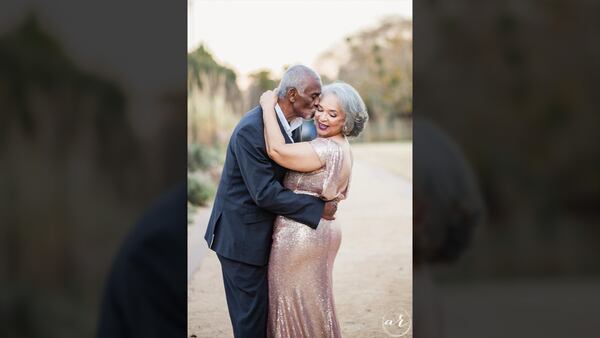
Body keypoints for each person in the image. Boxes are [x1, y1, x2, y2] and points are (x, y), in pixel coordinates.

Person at [203, 65, 338, 338]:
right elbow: (263, 193)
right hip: (241, 240)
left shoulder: (296, 126)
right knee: (251, 325)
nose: (317, 102)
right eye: (313, 96)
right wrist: (317, 208)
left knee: (267, 322)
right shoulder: (251, 130)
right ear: (291, 94)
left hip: (264, 237)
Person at [259, 81, 369, 337]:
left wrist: (267, 106)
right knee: (315, 304)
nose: (321, 117)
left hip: (301, 235)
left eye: (333, 114)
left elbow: (276, 150)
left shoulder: (324, 149)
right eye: (320, 109)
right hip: (323, 230)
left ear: (347, 121)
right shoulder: (343, 147)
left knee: (291, 302)